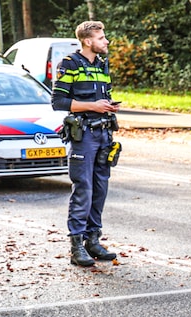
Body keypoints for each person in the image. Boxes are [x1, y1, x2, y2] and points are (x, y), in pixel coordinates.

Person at [52, 21, 120, 267]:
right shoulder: (69, 64)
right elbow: (58, 101)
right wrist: (94, 106)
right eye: (101, 38)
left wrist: (109, 107)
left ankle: (94, 240)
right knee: (84, 189)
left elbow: (104, 96)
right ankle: (76, 246)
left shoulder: (102, 64)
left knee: (100, 189)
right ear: (88, 41)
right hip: (84, 136)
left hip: (104, 134)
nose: (106, 41)